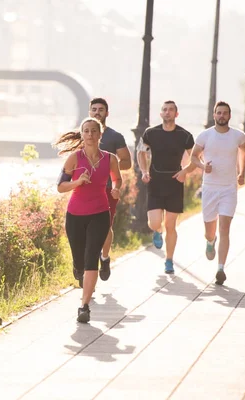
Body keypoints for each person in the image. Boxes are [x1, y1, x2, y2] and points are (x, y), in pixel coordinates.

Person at [55, 117, 122, 323]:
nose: (90, 135)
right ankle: (78, 269)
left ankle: (84, 306)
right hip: (75, 215)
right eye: (86, 131)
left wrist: (117, 188)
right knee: (79, 261)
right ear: (82, 135)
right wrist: (78, 182)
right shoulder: (74, 158)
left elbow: (117, 177)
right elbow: (60, 186)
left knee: (91, 256)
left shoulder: (110, 158)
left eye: (94, 131)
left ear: (100, 134)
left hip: (100, 212)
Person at [177, 101, 245, 285]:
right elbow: (194, 156)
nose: (222, 116)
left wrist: (241, 173)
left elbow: (244, 151)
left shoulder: (238, 136)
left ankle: (221, 268)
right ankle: (210, 241)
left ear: (229, 116)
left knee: (225, 228)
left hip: (229, 188)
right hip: (210, 188)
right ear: (214, 115)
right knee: (210, 230)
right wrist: (202, 166)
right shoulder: (205, 135)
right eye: (219, 113)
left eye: (225, 113)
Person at [137, 100, 194, 274]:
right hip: (155, 182)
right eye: (164, 110)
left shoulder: (185, 136)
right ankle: (156, 231)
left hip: (175, 183)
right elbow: (141, 152)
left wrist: (185, 171)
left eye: (171, 110)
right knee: (154, 223)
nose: (167, 112)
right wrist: (144, 171)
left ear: (176, 114)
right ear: (160, 113)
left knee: (171, 225)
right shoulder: (150, 133)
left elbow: (197, 157)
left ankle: (169, 260)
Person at [89, 98, 132, 281]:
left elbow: (127, 162)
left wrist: (107, 168)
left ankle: (104, 258)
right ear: (89, 112)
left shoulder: (115, 137)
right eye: (94, 109)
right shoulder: (82, 134)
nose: (97, 112)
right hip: (85, 190)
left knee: (105, 226)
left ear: (107, 113)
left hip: (108, 188)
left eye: (101, 109)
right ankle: (86, 264)